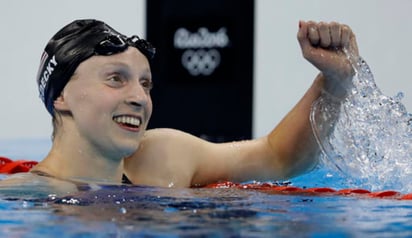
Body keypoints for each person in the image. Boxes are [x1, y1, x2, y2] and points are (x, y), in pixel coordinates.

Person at [0, 19, 358, 195]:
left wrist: (333, 83)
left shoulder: (164, 156)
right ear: (60, 97)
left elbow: (280, 158)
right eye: (115, 79)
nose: (140, 98)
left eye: (145, 84)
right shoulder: (26, 196)